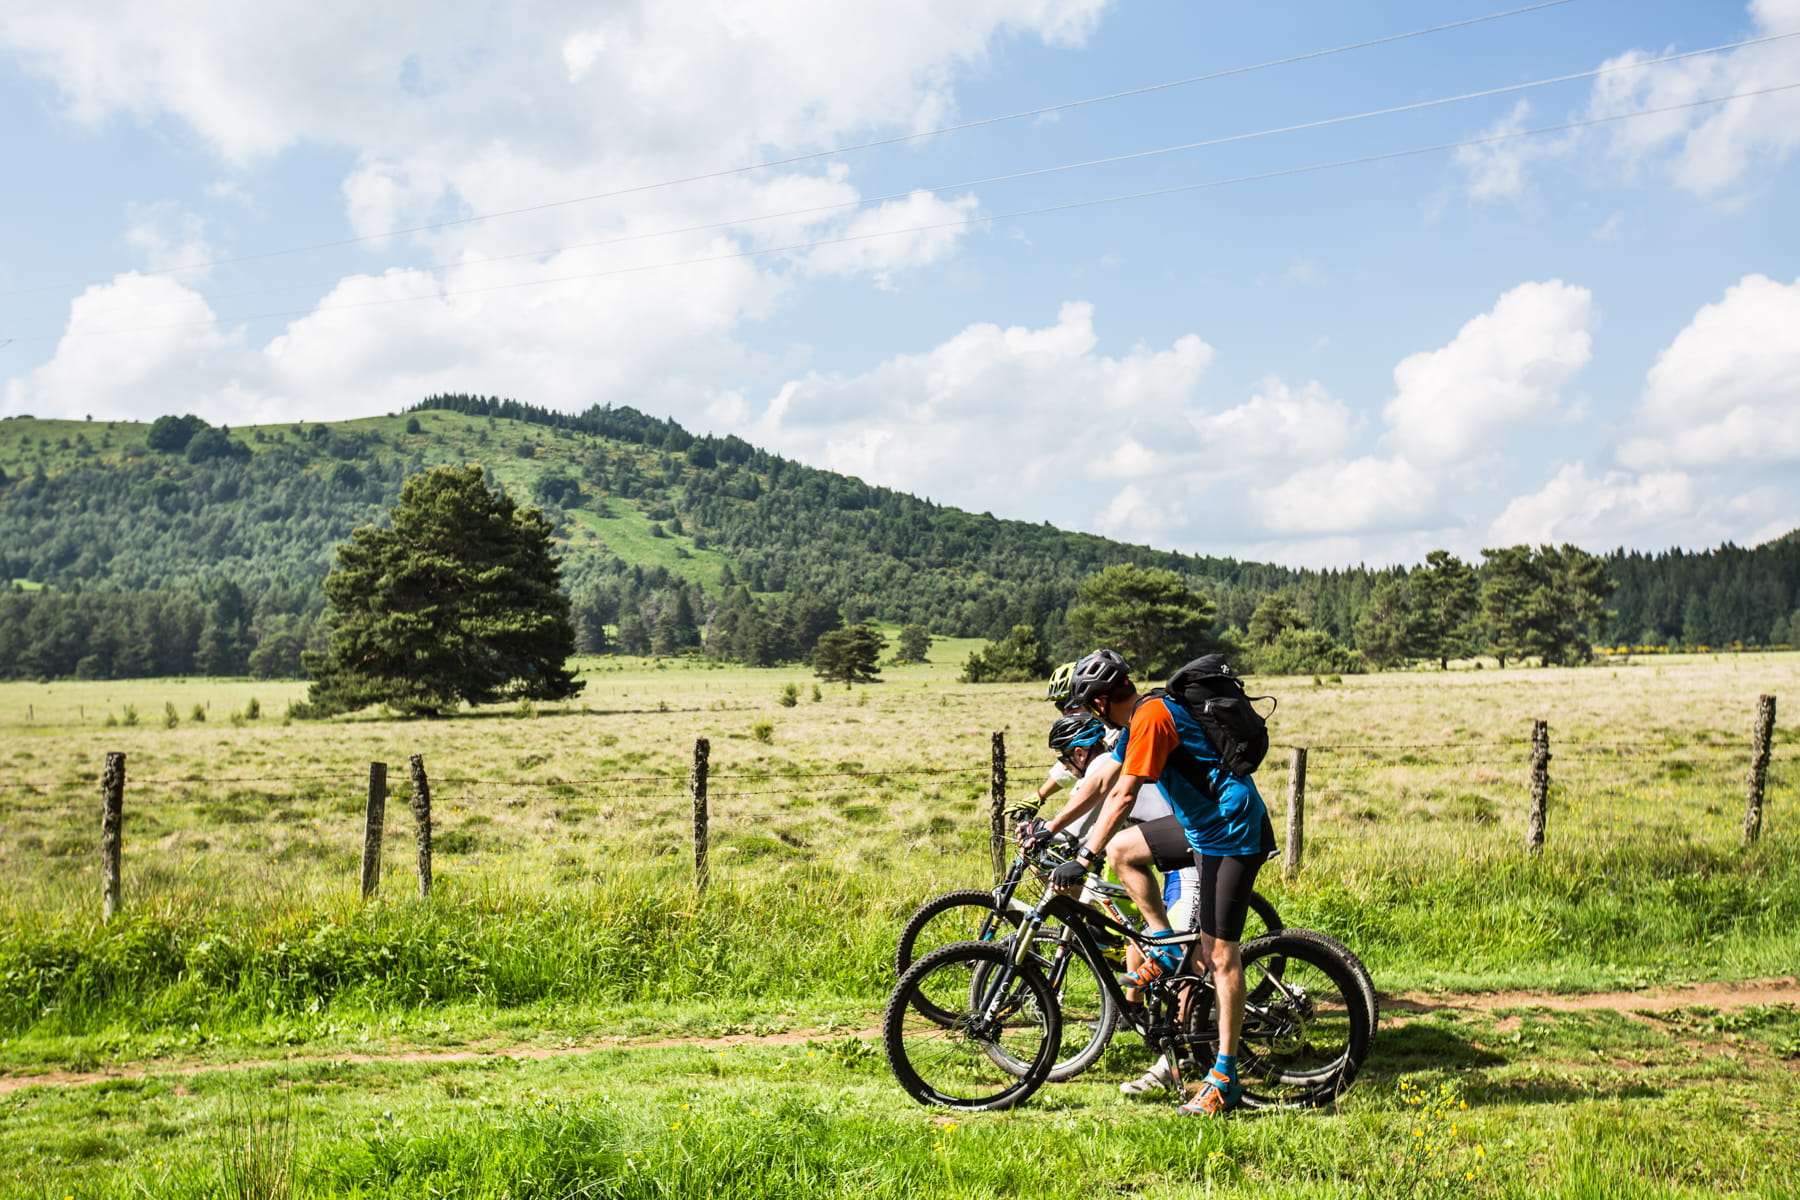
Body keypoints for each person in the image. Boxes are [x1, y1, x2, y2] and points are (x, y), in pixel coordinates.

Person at [1053, 648, 1276, 1118]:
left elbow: (1124, 793)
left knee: (1220, 956)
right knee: (1124, 851)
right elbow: (1099, 783)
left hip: (1232, 832)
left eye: (1089, 705)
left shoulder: (1152, 717)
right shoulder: (1138, 720)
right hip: (1199, 827)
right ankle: (1167, 945)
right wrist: (1051, 827)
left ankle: (1224, 1078)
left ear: (1100, 702)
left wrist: (1083, 856)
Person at [1025, 710, 1200, 1097]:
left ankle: (1183, 1058)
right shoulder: (1113, 753)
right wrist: (1053, 833)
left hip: (1188, 858)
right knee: (1150, 945)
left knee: (1181, 955)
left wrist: (1065, 844)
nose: (1064, 765)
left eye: (1066, 756)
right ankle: (1162, 1023)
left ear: (1080, 751)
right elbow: (1091, 816)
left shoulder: (1106, 760)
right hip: (1169, 857)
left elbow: (1100, 806)